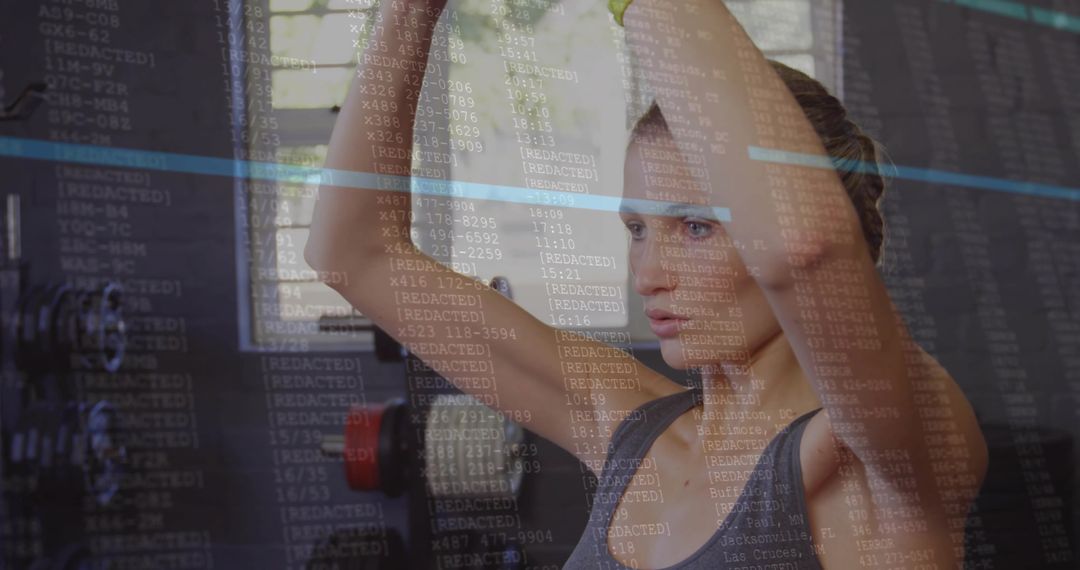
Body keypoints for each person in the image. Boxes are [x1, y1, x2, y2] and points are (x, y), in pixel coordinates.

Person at [304, 0, 988, 568]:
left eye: (695, 228)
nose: (650, 276)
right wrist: (409, 11)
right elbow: (353, 255)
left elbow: (803, 247)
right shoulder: (629, 425)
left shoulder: (885, 454)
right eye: (638, 229)